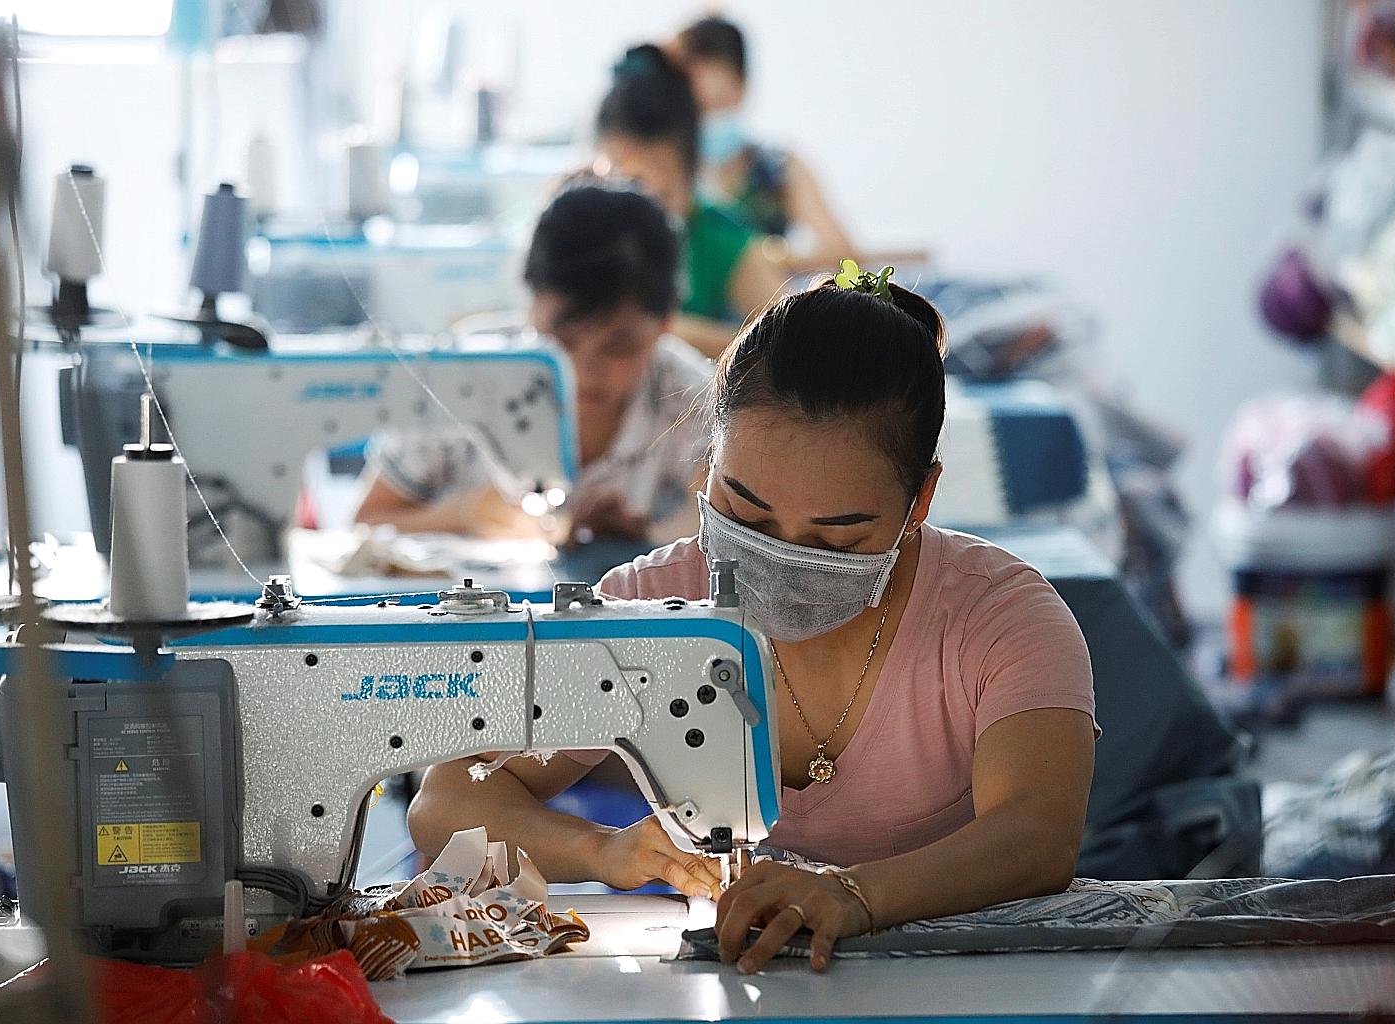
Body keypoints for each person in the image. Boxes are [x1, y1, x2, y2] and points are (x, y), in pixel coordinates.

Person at [407, 265, 1098, 973]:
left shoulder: (1002, 619)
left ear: (920, 501)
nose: (780, 555)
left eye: (836, 538)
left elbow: (1036, 834)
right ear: (710, 457)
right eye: (745, 512)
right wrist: (601, 850)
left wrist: (854, 896)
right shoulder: (649, 608)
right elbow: (446, 798)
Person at [355, 178, 711, 545]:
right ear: (530, 307)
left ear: (665, 326)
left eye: (618, 347)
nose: (582, 371)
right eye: (561, 340)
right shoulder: (458, 377)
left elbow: (723, 534)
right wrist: (462, 514)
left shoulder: (690, 400)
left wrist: (645, 538)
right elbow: (364, 522)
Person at [670, 15, 929, 274]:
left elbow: (844, 255)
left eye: (718, 100)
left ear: (743, 87)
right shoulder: (668, 175)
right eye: (697, 106)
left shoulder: (777, 170)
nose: (708, 115)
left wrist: (769, 259)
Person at [593, 43, 790, 359]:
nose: (643, 210)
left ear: (692, 172)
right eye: (627, 188)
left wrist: (666, 331)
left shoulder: (721, 240)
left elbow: (793, 341)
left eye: (661, 194)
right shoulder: (574, 228)